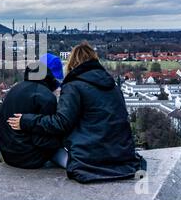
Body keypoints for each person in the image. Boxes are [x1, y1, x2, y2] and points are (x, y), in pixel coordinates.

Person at [8, 42, 146, 183]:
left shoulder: (73, 86)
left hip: (90, 160)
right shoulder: (113, 85)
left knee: (49, 148)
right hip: (122, 156)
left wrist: (26, 121)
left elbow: (61, 123)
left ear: (73, 63)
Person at [0, 54, 64, 169]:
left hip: (8, 155)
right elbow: (42, 140)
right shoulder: (46, 97)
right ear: (53, 79)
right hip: (29, 159)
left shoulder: (15, 89)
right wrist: (64, 141)